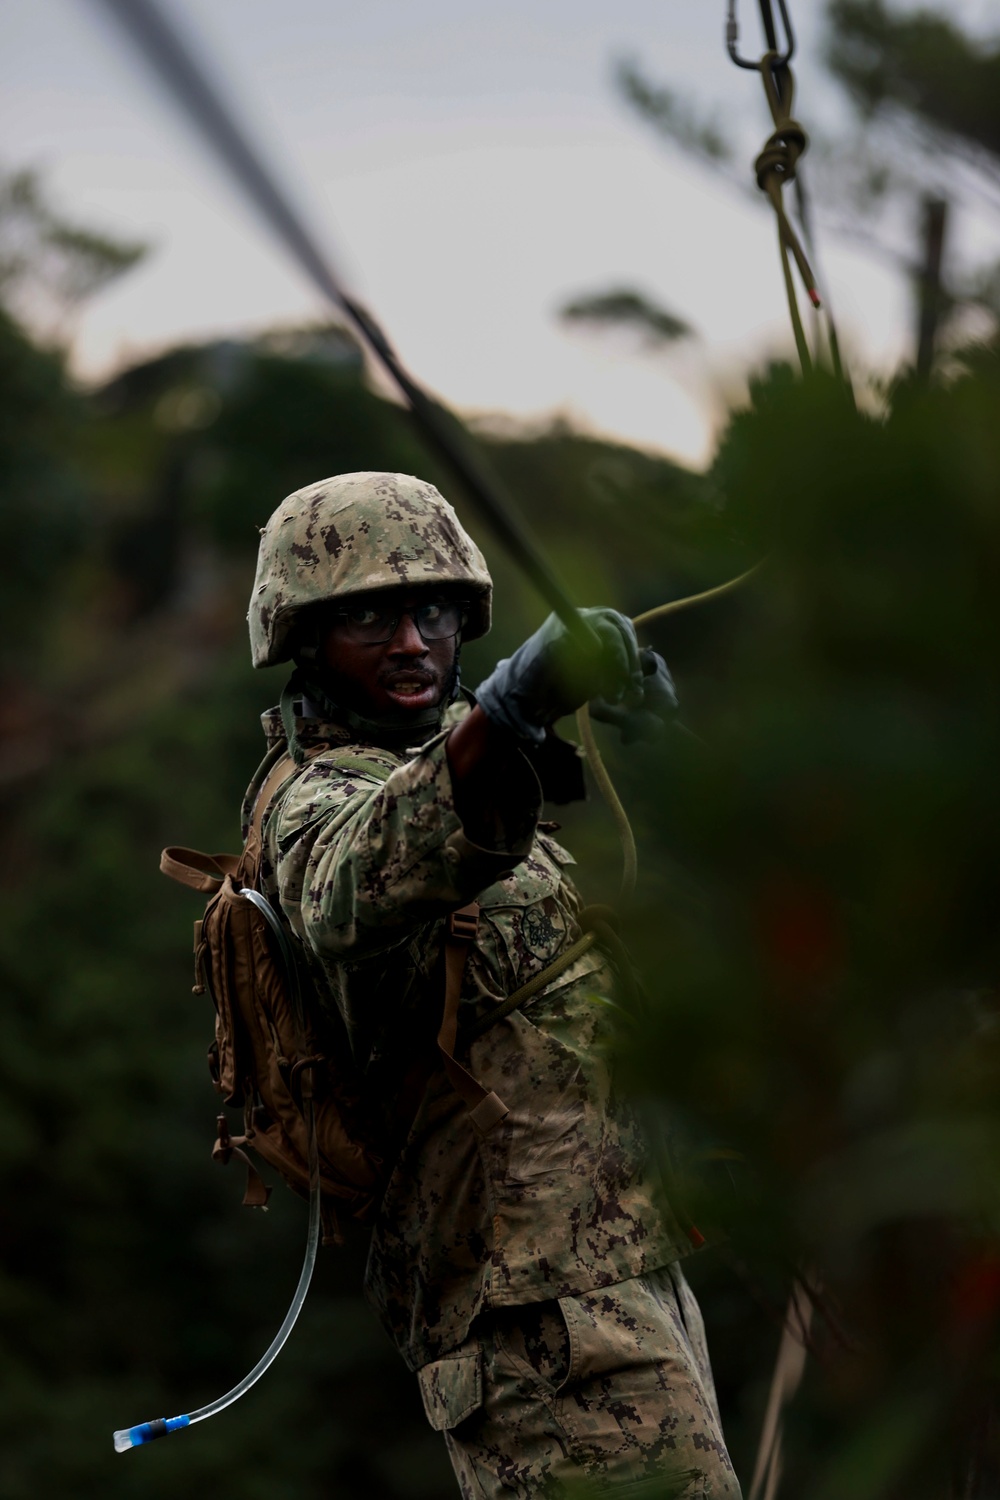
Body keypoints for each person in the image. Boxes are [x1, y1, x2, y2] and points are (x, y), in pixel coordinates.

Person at [244, 470, 741, 1498]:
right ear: (305, 638)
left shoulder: (456, 767)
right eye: (369, 616)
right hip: (531, 1317)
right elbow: (351, 883)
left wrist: (658, 749)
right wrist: (508, 710)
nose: (413, 642)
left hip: (616, 1272)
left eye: (431, 609)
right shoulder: (311, 802)